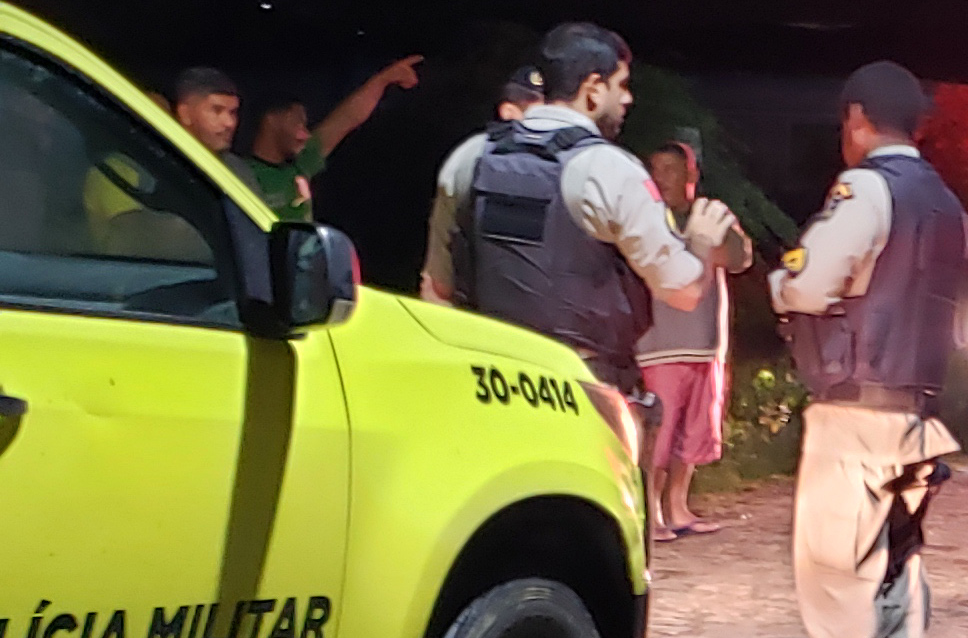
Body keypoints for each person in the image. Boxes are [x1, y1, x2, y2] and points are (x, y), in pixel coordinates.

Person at [768, 60, 968, 638]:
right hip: (918, 412)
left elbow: (812, 283)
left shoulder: (866, 190)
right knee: (897, 566)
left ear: (857, 119)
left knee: (835, 570)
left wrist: (779, 285)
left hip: (854, 411)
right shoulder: (946, 202)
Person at [420, 21, 736, 387]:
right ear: (593, 90)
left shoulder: (470, 159)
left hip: (485, 384)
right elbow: (682, 291)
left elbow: (436, 290)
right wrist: (699, 240)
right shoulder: (610, 171)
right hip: (582, 390)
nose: (628, 99)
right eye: (621, 85)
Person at [637, 140, 754, 541]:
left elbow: (738, 259)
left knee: (694, 435)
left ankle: (678, 506)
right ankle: (650, 513)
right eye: (655, 170)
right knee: (659, 436)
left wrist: (712, 235)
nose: (660, 178)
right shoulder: (645, 218)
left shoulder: (710, 214)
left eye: (670, 170)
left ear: (691, 175)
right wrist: (699, 244)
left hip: (706, 345)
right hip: (658, 346)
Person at [240, 57, 422, 218]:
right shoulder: (239, 173)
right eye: (298, 123)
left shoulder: (300, 163)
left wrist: (383, 80)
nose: (305, 134)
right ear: (271, 120)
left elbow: (347, 119)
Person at [173, 67, 242, 158]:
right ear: (185, 114)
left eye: (233, 112)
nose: (230, 123)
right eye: (217, 110)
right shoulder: (155, 163)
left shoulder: (236, 169)